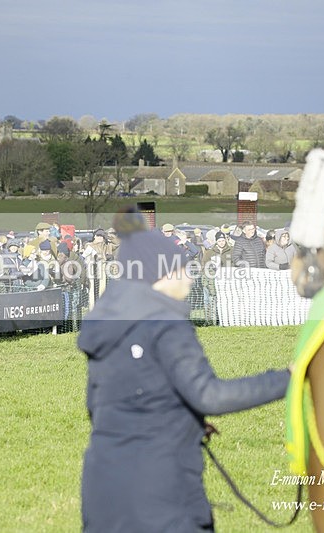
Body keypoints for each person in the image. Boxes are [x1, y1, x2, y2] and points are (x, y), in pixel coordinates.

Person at [77, 208, 291, 532]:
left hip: (103, 488)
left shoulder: (107, 326)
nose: (190, 276)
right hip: (162, 491)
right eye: (183, 268)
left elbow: (104, 406)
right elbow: (210, 395)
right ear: (160, 274)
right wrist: (289, 378)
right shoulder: (165, 322)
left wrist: (182, 420)